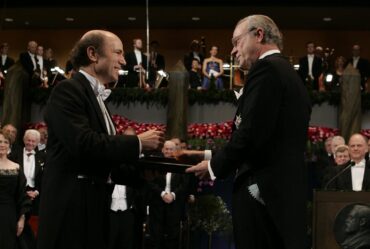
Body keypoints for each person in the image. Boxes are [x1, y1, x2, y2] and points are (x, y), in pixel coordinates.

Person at [183, 15, 311, 249]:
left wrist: (214, 167)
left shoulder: (267, 70)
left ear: (259, 35)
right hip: (281, 195)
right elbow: (269, 136)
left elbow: (250, 134)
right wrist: (209, 156)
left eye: (236, 42)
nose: (232, 51)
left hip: (261, 196)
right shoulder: (287, 73)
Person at [36, 30, 164, 249]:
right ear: (93, 54)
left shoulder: (98, 99)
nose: (124, 60)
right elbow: (84, 143)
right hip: (71, 212)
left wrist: (143, 173)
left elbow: (104, 162)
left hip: (93, 209)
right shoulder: (67, 90)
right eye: (118, 53)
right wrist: (138, 142)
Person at [0, 131, 31, 249]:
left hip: (9, 215)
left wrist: (22, 219)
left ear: (9, 145)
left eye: (5, 142)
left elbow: (22, 195)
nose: (2, 144)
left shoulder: (16, 167)